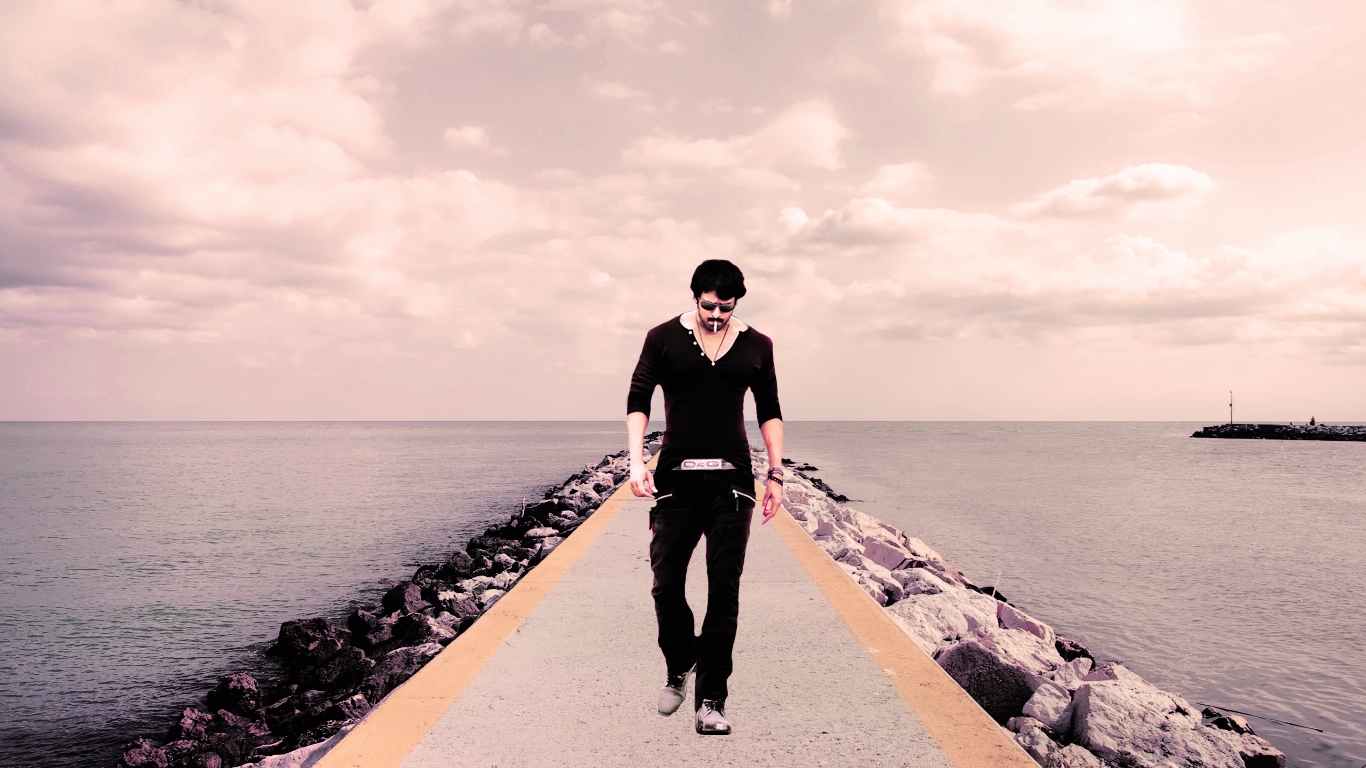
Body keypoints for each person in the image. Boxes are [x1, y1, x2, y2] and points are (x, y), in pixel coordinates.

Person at [625, 259, 785, 735]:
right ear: (695, 297)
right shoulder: (662, 338)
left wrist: (776, 474)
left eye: (725, 308)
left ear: (737, 303)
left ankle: (711, 700)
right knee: (665, 584)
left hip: (733, 483)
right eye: (709, 306)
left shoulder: (758, 345)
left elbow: (770, 409)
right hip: (675, 480)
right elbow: (638, 398)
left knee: (724, 590)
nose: (716, 315)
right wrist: (636, 462)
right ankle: (681, 662)